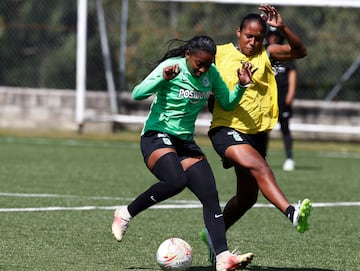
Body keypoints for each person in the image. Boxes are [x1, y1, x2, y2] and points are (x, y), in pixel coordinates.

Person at [111, 35, 256, 271]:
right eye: (199, 63)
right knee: (176, 180)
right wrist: (161, 80)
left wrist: (241, 85)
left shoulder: (211, 74)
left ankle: (223, 258)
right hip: (156, 135)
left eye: (207, 64)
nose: (202, 69)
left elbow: (227, 102)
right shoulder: (173, 68)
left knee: (210, 195)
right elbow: (137, 93)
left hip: (185, 142)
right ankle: (125, 214)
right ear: (188, 55)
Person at [200, 4, 312, 263]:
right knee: (259, 166)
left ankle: (212, 234)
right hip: (226, 128)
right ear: (238, 32)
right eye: (248, 36)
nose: (252, 42)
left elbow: (300, 51)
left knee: (248, 197)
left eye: (258, 37)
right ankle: (291, 212)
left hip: (256, 133)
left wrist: (282, 27)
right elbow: (196, 67)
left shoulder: (267, 53)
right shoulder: (221, 53)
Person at [267, 27, 297, 171]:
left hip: (282, 96)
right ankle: (262, 157)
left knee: (285, 127)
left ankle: (289, 158)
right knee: (263, 129)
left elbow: (292, 74)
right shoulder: (264, 52)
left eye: (275, 35)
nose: (273, 38)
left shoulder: (285, 54)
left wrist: (290, 94)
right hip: (267, 98)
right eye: (270, 35)